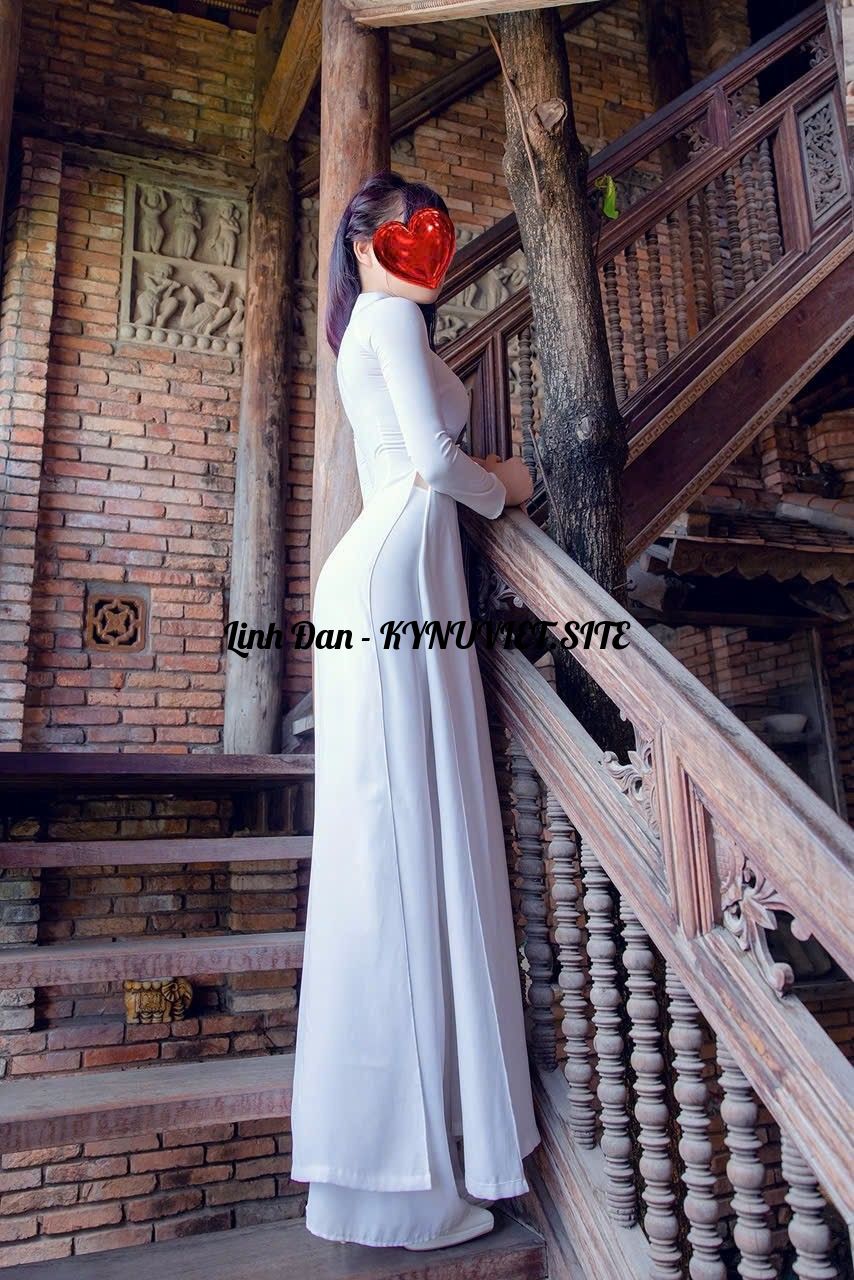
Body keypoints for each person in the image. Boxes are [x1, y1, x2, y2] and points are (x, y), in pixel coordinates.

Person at [290, 170, 540, 1251]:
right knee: (395, 852)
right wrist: (508, 484)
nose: (427, 246)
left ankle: (415, 1154)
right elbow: (434, 465)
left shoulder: (396, 326)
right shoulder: (386, 318)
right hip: (392, 576)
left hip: (406, 577)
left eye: (436, 232)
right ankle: (398, 1179)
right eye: (408, 231)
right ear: (366, 245)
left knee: (408, 844)